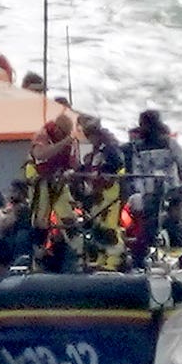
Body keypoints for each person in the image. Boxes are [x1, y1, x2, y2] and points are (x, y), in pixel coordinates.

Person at [124, 108, 182, 267]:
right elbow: (138, 172)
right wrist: (141, 192)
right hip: (150, 193)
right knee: (148, 228)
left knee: (173, 224)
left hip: (173, 191)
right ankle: (141, 259)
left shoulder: (169, 143)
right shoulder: (137, 148)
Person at [26, 113, 80, 272]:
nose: (62, 136)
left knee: (69, 217)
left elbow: (74, 163)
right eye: (60, 132)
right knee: (40, 220)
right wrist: (63, 143)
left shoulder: (70, 141)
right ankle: (38, 258)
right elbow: (40, 154)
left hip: (58, 182)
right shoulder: (43, 135)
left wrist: (70, 171)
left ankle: (78, 254)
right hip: (40, 182)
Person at [74, 114, 127, 271]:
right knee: (98, 226)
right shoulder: (96, 152)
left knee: (109, 227)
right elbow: (88, 168)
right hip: (97, 193)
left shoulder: (110, 148)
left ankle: (114, 260)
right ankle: (101, 257)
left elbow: (117, 165)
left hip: (109, 192)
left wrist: (103, 174)